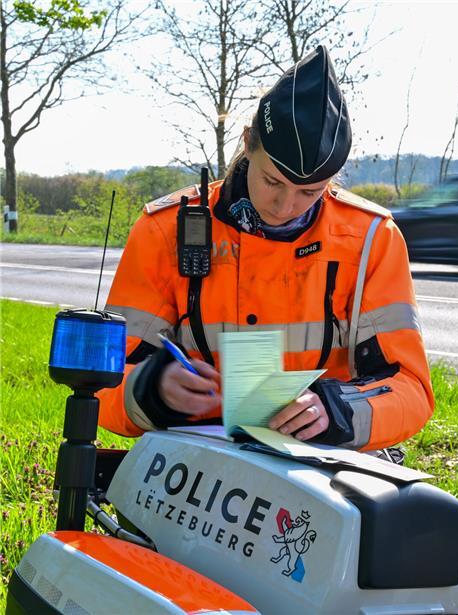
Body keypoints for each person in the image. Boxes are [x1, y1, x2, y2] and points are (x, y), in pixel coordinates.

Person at [98, 46, 434, 450]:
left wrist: (335, 410)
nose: (285, 206)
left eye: (310, 192)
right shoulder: (164, 229)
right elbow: (104, 384)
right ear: (247, 145)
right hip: (198, 458)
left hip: (322, 459)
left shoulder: (371, 239)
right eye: (272, 181)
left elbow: (411, 390)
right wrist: (155, 388)